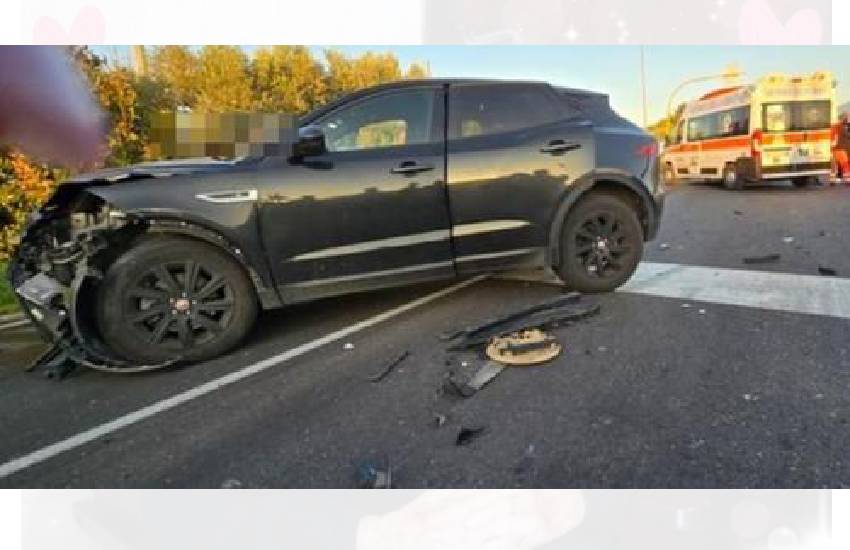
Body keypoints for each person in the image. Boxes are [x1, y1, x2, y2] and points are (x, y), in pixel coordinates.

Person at [832, 112, 850, 185]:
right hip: (841, 149)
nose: (847, 119)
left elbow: (834, 138)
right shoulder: (841, 126)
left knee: (834, 166)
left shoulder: (834, 126)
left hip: (835, 149)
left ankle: (833, 180)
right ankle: (847, 180)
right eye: (846, 117)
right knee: (845, 165)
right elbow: (846, 136)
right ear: (842, 118)